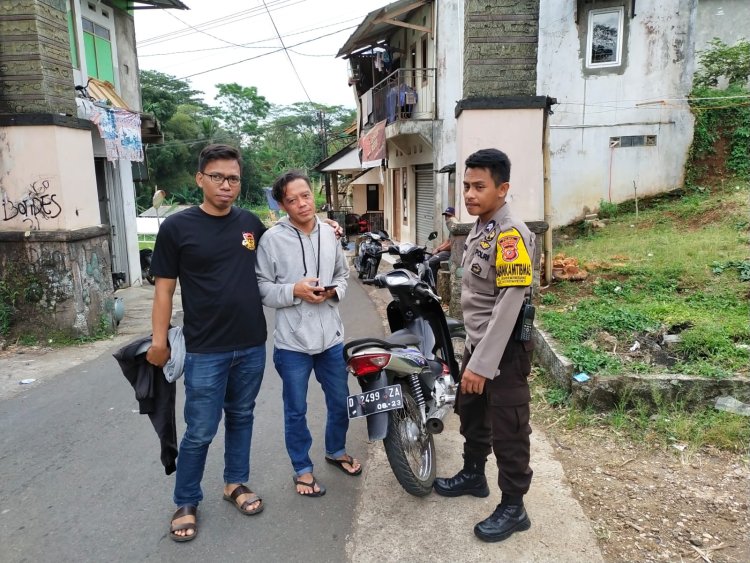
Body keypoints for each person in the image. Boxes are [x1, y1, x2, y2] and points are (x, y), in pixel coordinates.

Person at [147, 144, 267, 542]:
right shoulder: (177, 228)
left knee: (242, 415)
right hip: (204, 348)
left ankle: (235, 483)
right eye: (217, 177)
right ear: (200, 179)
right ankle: (185, 500)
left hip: (251, 343)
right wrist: (159, 341)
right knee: (199, 429)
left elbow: (279, 261)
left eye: (233, 178)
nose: (226, 185)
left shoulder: (251, 224)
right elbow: (163, 291)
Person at [433, 148, 536, 544]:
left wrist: (482, 364)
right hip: (479, 343)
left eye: (479, 186)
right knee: (473, 411)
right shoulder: (482, 226)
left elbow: (510, 302)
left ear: (502, 188)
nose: (470, 194)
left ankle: (514, 506)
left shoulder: (510, 234)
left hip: (504, 349)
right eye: (466, 186)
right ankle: (475, 475)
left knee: (510, 426)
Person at [255, 170, 361, 498]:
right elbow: (262, 288)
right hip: (292, 343)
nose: (302, 204)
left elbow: (343, 274)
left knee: (340, 400)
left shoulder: (330, 234)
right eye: (293, 200)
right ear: (282, 205)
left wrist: (334, 292)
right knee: (296, 408)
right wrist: (294, 291)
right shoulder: (271, 240)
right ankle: (302, 469)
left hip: (330, 337)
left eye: (305, 196)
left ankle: (336, 449)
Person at [427, 206, 457, 284]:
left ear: (454, 216)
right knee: (428, 257)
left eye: (449, 215)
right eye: (446, 216)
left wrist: (439, 250)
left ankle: (433, 285)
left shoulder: (456, 227)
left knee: (431, 262)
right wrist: (437, 248)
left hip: (452, 253)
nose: (447, 217)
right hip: (447, 251)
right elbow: (447, 241)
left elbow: (451, 245)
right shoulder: (451, 227)